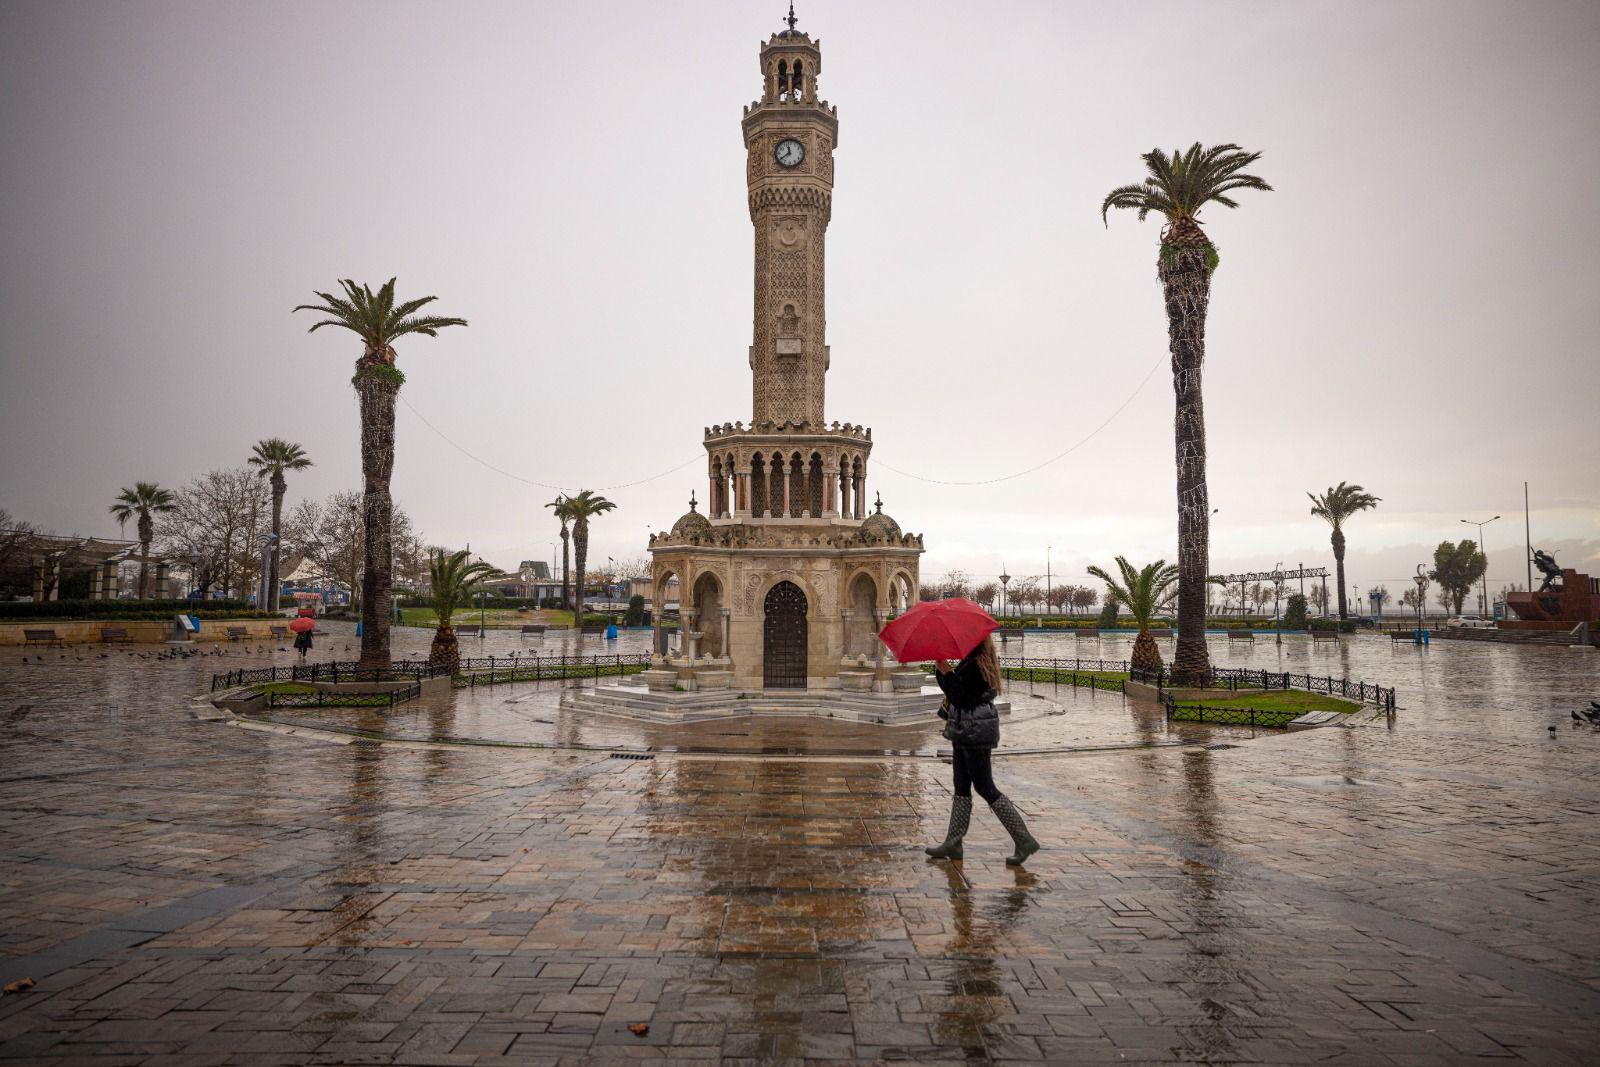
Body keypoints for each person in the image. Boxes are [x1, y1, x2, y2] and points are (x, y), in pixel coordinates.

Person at [926, 634, 1039, 865]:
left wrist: (947, 672)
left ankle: (1024, 839)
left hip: (975, 731)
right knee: (961, 785)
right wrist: (942, 670)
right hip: (964, 730)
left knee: (985, 786)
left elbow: (963, 698)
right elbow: (954, 693)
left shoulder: (977, 665)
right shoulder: (973, 660)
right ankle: (953, 842)